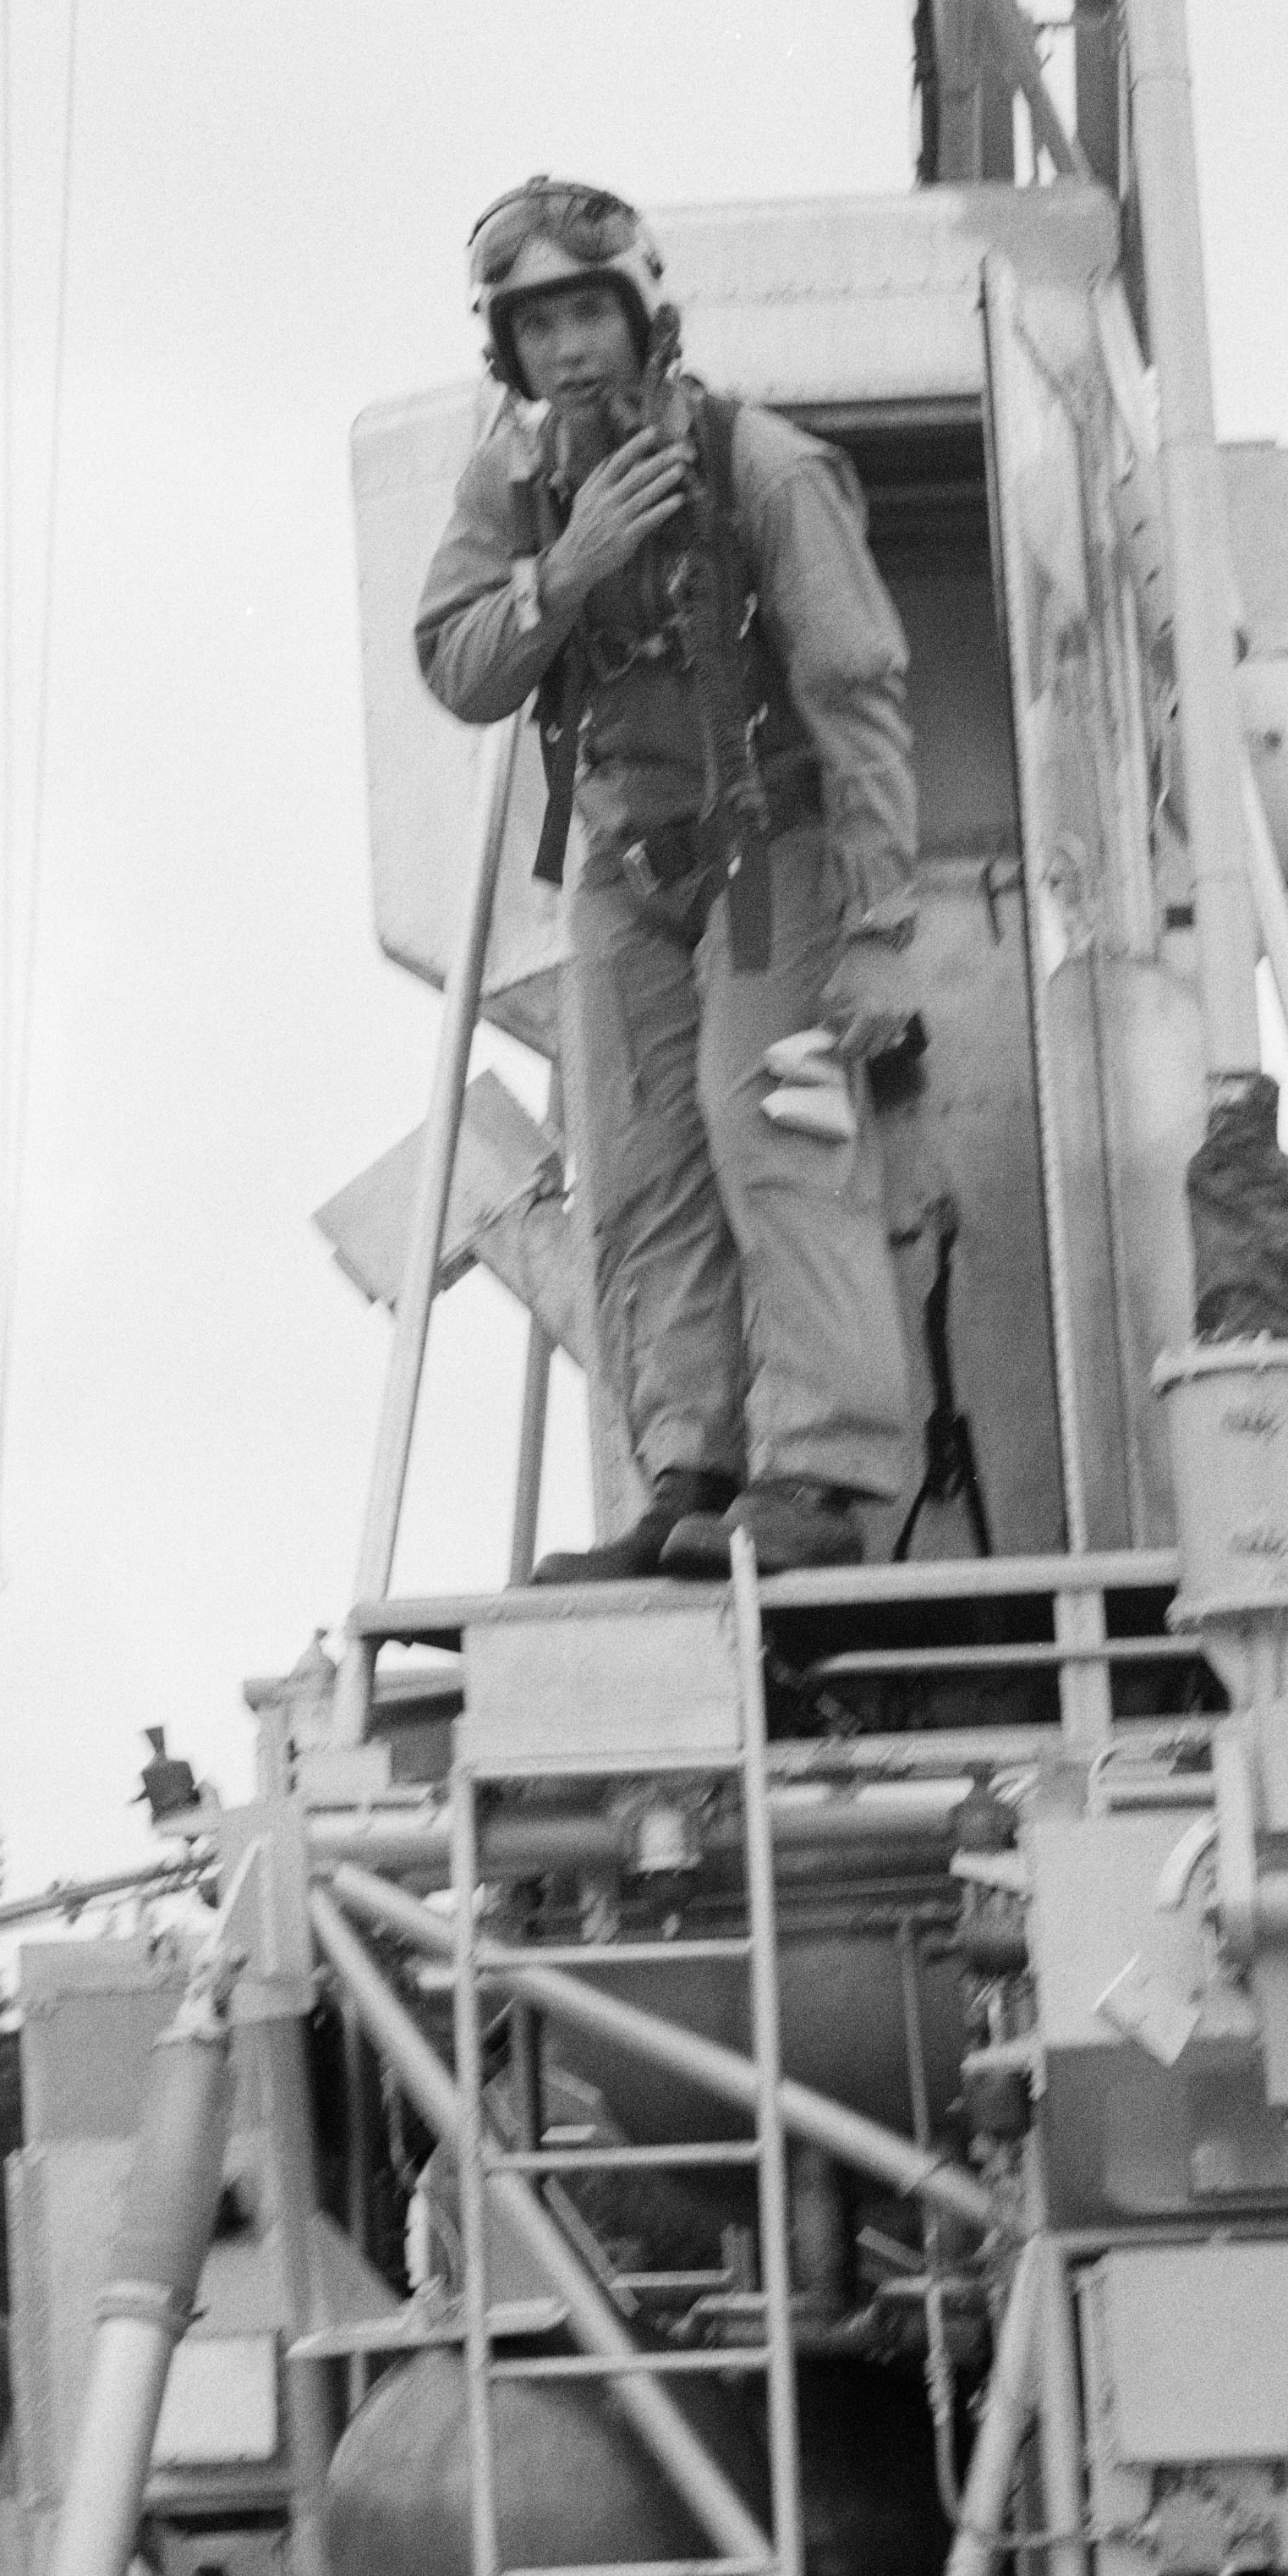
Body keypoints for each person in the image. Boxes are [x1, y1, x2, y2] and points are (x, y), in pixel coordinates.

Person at [414, 175, 923, 1580]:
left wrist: (877, 930)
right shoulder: (510, 492)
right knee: (638, 1174)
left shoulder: (763, 468)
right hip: (624, 870)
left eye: (589, 312)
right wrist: (563, 573)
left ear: (642, 317)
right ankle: (685, 1469)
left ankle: (823, 1472)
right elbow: (458, 663)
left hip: (776, 855)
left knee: (778, 1127)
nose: (568, 348)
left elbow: (858, 693)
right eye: (538, 326)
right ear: (505, 352)